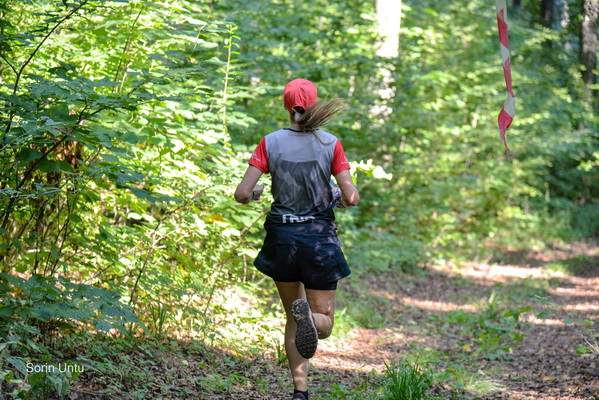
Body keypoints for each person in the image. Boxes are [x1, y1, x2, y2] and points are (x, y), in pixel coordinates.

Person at [234, 78, 359, 400]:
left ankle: (300, 392)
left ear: (286, 107)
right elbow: (351, 197)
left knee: (293, 316)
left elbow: (242, 194)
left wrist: (258, 191)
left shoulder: (270, 142)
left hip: (283, 238)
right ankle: (312, 319)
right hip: (318, 240)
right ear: (313, 104)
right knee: (323, 322)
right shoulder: (330, 143)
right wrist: (338, 195)